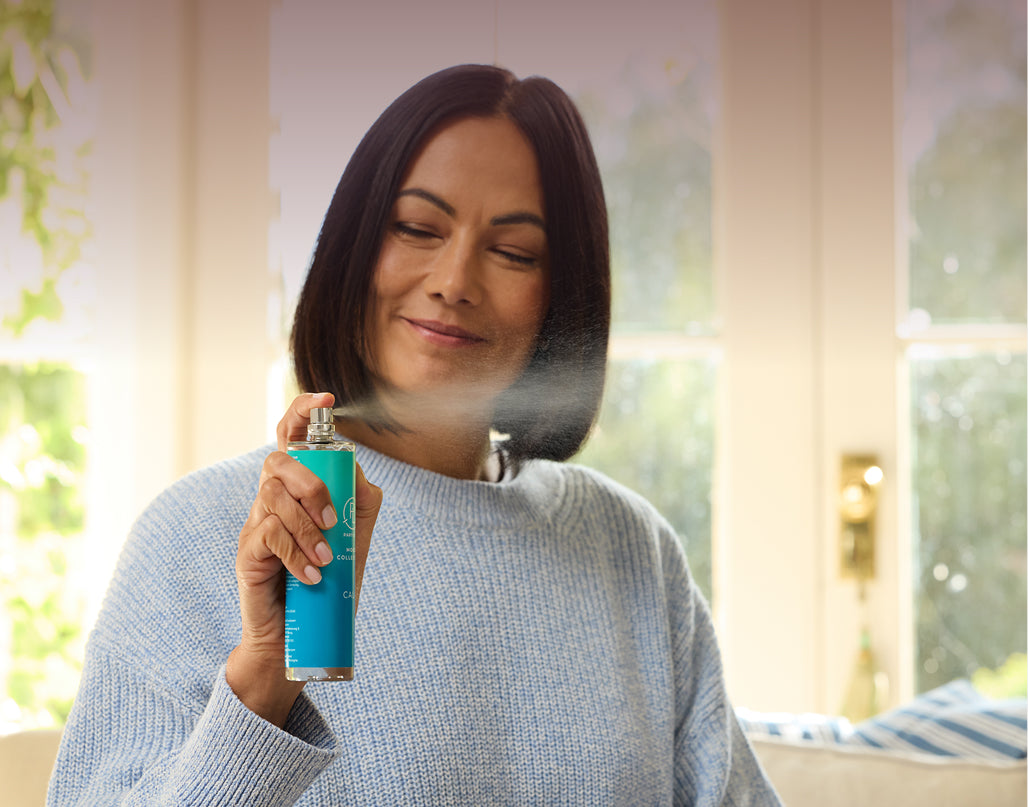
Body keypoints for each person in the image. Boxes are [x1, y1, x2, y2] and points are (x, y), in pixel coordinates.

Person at [48, 64, 782, 805]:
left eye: (515, 252)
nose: (454, 279)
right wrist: (265, 677)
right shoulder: (196, 537)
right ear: (356, 246)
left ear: (562, 297)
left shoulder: (631, 550)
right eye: (418, 228)